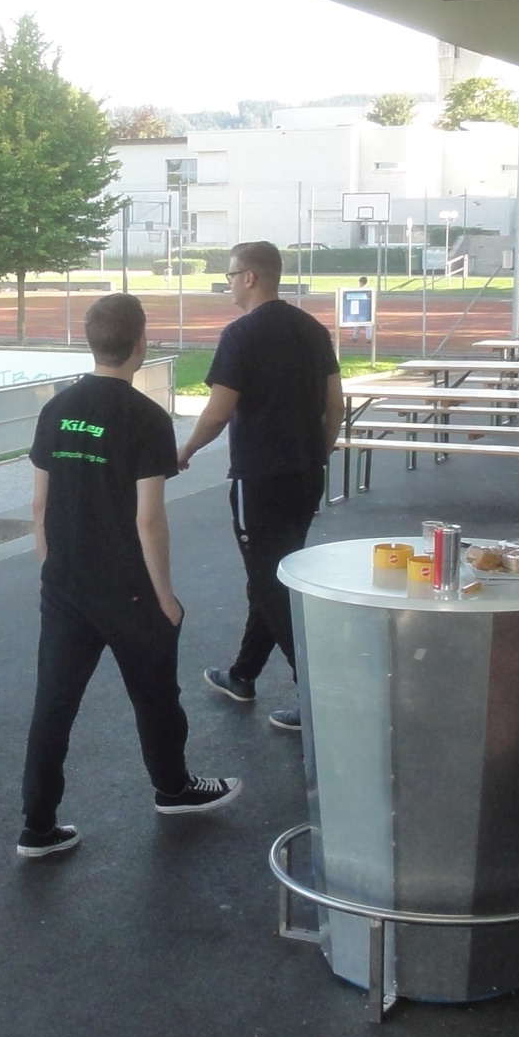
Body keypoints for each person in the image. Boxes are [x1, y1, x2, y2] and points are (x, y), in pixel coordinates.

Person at [18, 294, 240, 858]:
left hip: (65, 585)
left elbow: (39, 504)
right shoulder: (146, 418)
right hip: (129, 590)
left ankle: (37, 826)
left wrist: (50, 569)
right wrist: (165, 597)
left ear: (90, 341)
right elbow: (148, 519)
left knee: (53, 706)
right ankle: (172, 788)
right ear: (141, 344)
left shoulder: (56, 408)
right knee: (156, 697)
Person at [180, 240, 340, 732]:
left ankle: (318, 699)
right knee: (272, 578)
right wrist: (318, 454)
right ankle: (243, 674)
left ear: (249, 277)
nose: (228, 284)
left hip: (260, 479)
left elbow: (217, 412)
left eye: (230, 275)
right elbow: (335, 406)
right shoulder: (312, 330)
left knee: (272, 586)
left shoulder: (240, 334)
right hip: (306, 477)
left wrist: (183, 452)